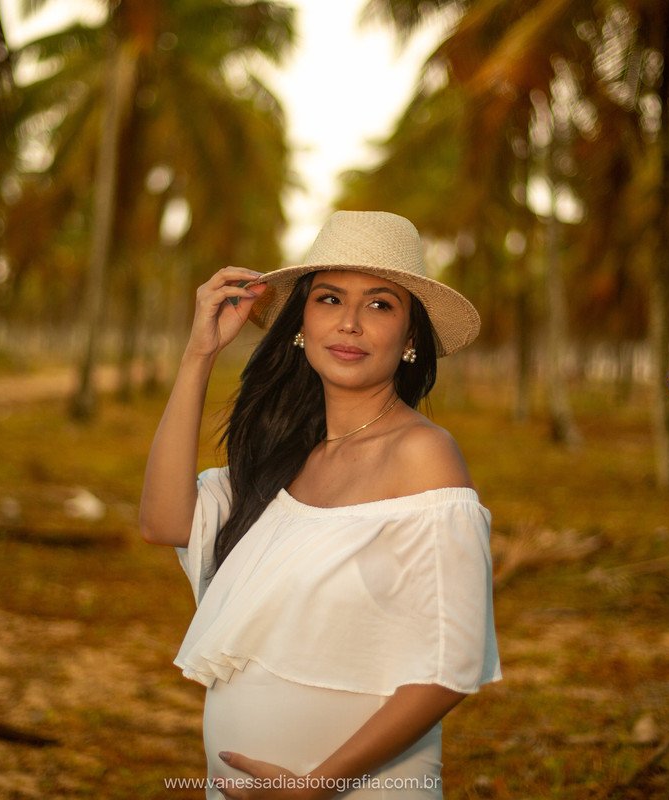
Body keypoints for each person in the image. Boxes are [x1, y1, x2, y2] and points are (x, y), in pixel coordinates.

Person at [140, 210, 500, 799]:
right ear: (302, 321)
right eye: (330, 299)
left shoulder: (423, 456)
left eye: (381, 305)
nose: (351, 323)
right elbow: (162, 521)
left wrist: (317, 786)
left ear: (411, 337)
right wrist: (198, 355)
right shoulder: (283, 461)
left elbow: (451, 664)